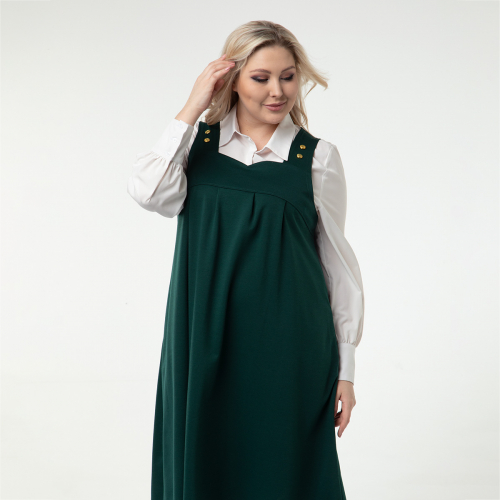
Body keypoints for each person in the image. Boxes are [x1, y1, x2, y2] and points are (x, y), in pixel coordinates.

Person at [128, 20, 364, 500]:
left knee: (285, 474)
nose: (277, 91)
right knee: (205, 467)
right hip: (202, 338)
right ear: (232, 79)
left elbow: (337, 266)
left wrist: (346, 369)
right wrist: (193, 107)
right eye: (261, 77)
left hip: (291, 348)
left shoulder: (317, 158)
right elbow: (148, 192)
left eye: (288, 77)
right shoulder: (196, 147)